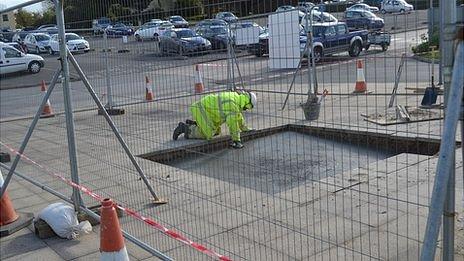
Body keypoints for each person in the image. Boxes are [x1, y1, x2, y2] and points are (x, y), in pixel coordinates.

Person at [173, 91, 257, 149]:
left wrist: (245, 129)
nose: (247, 109)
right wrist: (236, 140)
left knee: (217, 131)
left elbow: (238, 117)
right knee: (208, 134)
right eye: (250, 107)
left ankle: (196, 124)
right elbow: (233, 123)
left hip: (208, 112)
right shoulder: (233, 104)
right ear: (248, 103)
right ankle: (185, 128)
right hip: (200, 108)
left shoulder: (237, 99)